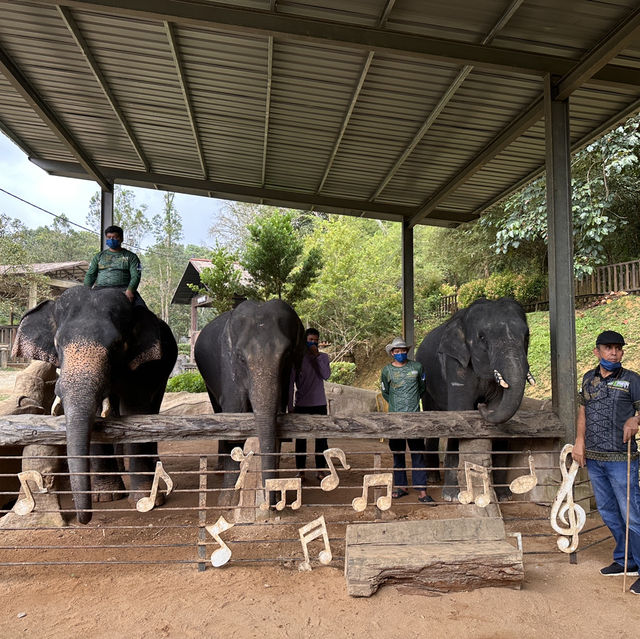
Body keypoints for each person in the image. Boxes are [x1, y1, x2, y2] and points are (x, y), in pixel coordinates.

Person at [572, 330, 640, 593]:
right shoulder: (588, 379)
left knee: (633, 515)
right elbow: (583, 411)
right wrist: (579, 441)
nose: (614, 352)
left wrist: (635, 420)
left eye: (618, 348)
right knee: (609, 512)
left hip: (621, 460)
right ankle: (626, 560)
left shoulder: (632, 380)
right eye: (608, 348)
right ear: (597, 351)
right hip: (595, 458)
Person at [380, 337, 435, 504]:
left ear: (407, 351)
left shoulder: (417, 367)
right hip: (395, 419)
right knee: (398, 454)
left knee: (417, 453)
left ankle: (422, 491)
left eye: (403, 350)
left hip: (414, 418)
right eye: (397, 351)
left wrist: (411, 404)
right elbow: (385, 392)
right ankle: (401, 487)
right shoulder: (387, 371)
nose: (400, 354)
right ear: (392, 353)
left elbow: (422, 388)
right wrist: (397, 406)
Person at [290, 328, 331, 481]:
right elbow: (290, 384)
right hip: (301, 404)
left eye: (315, 340)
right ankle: (300, 471)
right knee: (301, 440)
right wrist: (290, 406)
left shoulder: (323, 357)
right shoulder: (298, 359)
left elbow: (326, 375)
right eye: (310, 340)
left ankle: (320, 470)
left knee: (321, 439)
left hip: (319, 404)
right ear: (304, 341)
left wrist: (317, 357)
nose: (313, 343)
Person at [84, 225, 146, 307]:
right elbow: (90, 275)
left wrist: (130, 291)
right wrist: (85, 291)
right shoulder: (98, 256)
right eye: (109, 237)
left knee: (142, 310)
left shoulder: (132, 257)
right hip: (100, 289)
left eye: (114, 237)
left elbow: (136, 276)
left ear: (121, 239)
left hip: (123, 289)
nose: (111, 240)